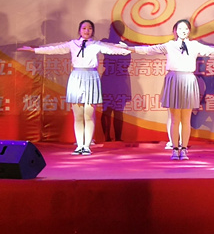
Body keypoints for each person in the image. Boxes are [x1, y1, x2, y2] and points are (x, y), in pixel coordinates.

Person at [19, 19, 131, 155]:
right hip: (76, 78)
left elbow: (113, 50)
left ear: (93, 31)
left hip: (91, 78)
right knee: (78, 116)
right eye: (84, 28)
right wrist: (34, 50)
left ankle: (87, 146)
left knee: (88, 115)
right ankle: (79, 145)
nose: (87, 31)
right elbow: (54, 49)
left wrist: (126, 49)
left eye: (90, 28)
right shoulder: (73, 44)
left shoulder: (96, 45)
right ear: (79, 30)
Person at [127, 19, 214, 160]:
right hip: (174, 80)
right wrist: (130, 49)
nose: (183, 31)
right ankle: (175, 149)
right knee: (174, 118)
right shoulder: (170, 45)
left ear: (189, 31)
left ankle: (183, 149)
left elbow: (213, 52)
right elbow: (149, 50)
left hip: (188, 80)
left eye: (185, 29)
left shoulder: (194, 45)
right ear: (175, 31)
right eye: (180, 29)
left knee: (186, 118)